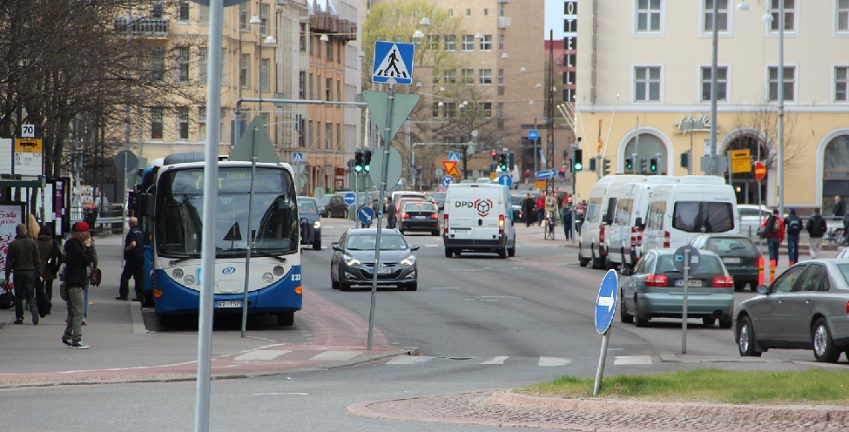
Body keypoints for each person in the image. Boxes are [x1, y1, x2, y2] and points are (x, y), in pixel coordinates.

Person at [63, 221, 94, 349]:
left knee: (74, 312)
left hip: (74, 281)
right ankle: (76, 338)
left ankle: (67, 335)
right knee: (78, 312)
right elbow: (86, 260)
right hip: (75, 282)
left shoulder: (72, 245)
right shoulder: (75, 246)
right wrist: (88, 247)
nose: (88, 237)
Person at [4, 223, 41, 325]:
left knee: (18, 296)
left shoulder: (13, 245)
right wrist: (39, 274)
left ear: (16, 232)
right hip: (30, 272)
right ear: (26, 231)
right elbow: (37, 260)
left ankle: (19, 317)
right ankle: (33, 307)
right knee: (30, 294)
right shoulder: (33, 244)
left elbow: (9, 262)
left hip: (18, 273)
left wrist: (7, 276)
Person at [36, 224, 62, 316]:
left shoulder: (36, 242)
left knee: (39, 288)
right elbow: (60, 256)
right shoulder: (53, 242)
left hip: (38, 268)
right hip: (50, 268)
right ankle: (47, 305)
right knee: (49, 287)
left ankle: (41, 304)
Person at [118, 216, 145, 301]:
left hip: (133, 257)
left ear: (130, 224)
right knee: (139, 277)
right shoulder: (140, 232)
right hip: (141, 257)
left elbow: (133, 244)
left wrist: (126, 249)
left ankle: (124, 295)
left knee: (125, 276)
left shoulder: (132, 232)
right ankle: (140, 296)